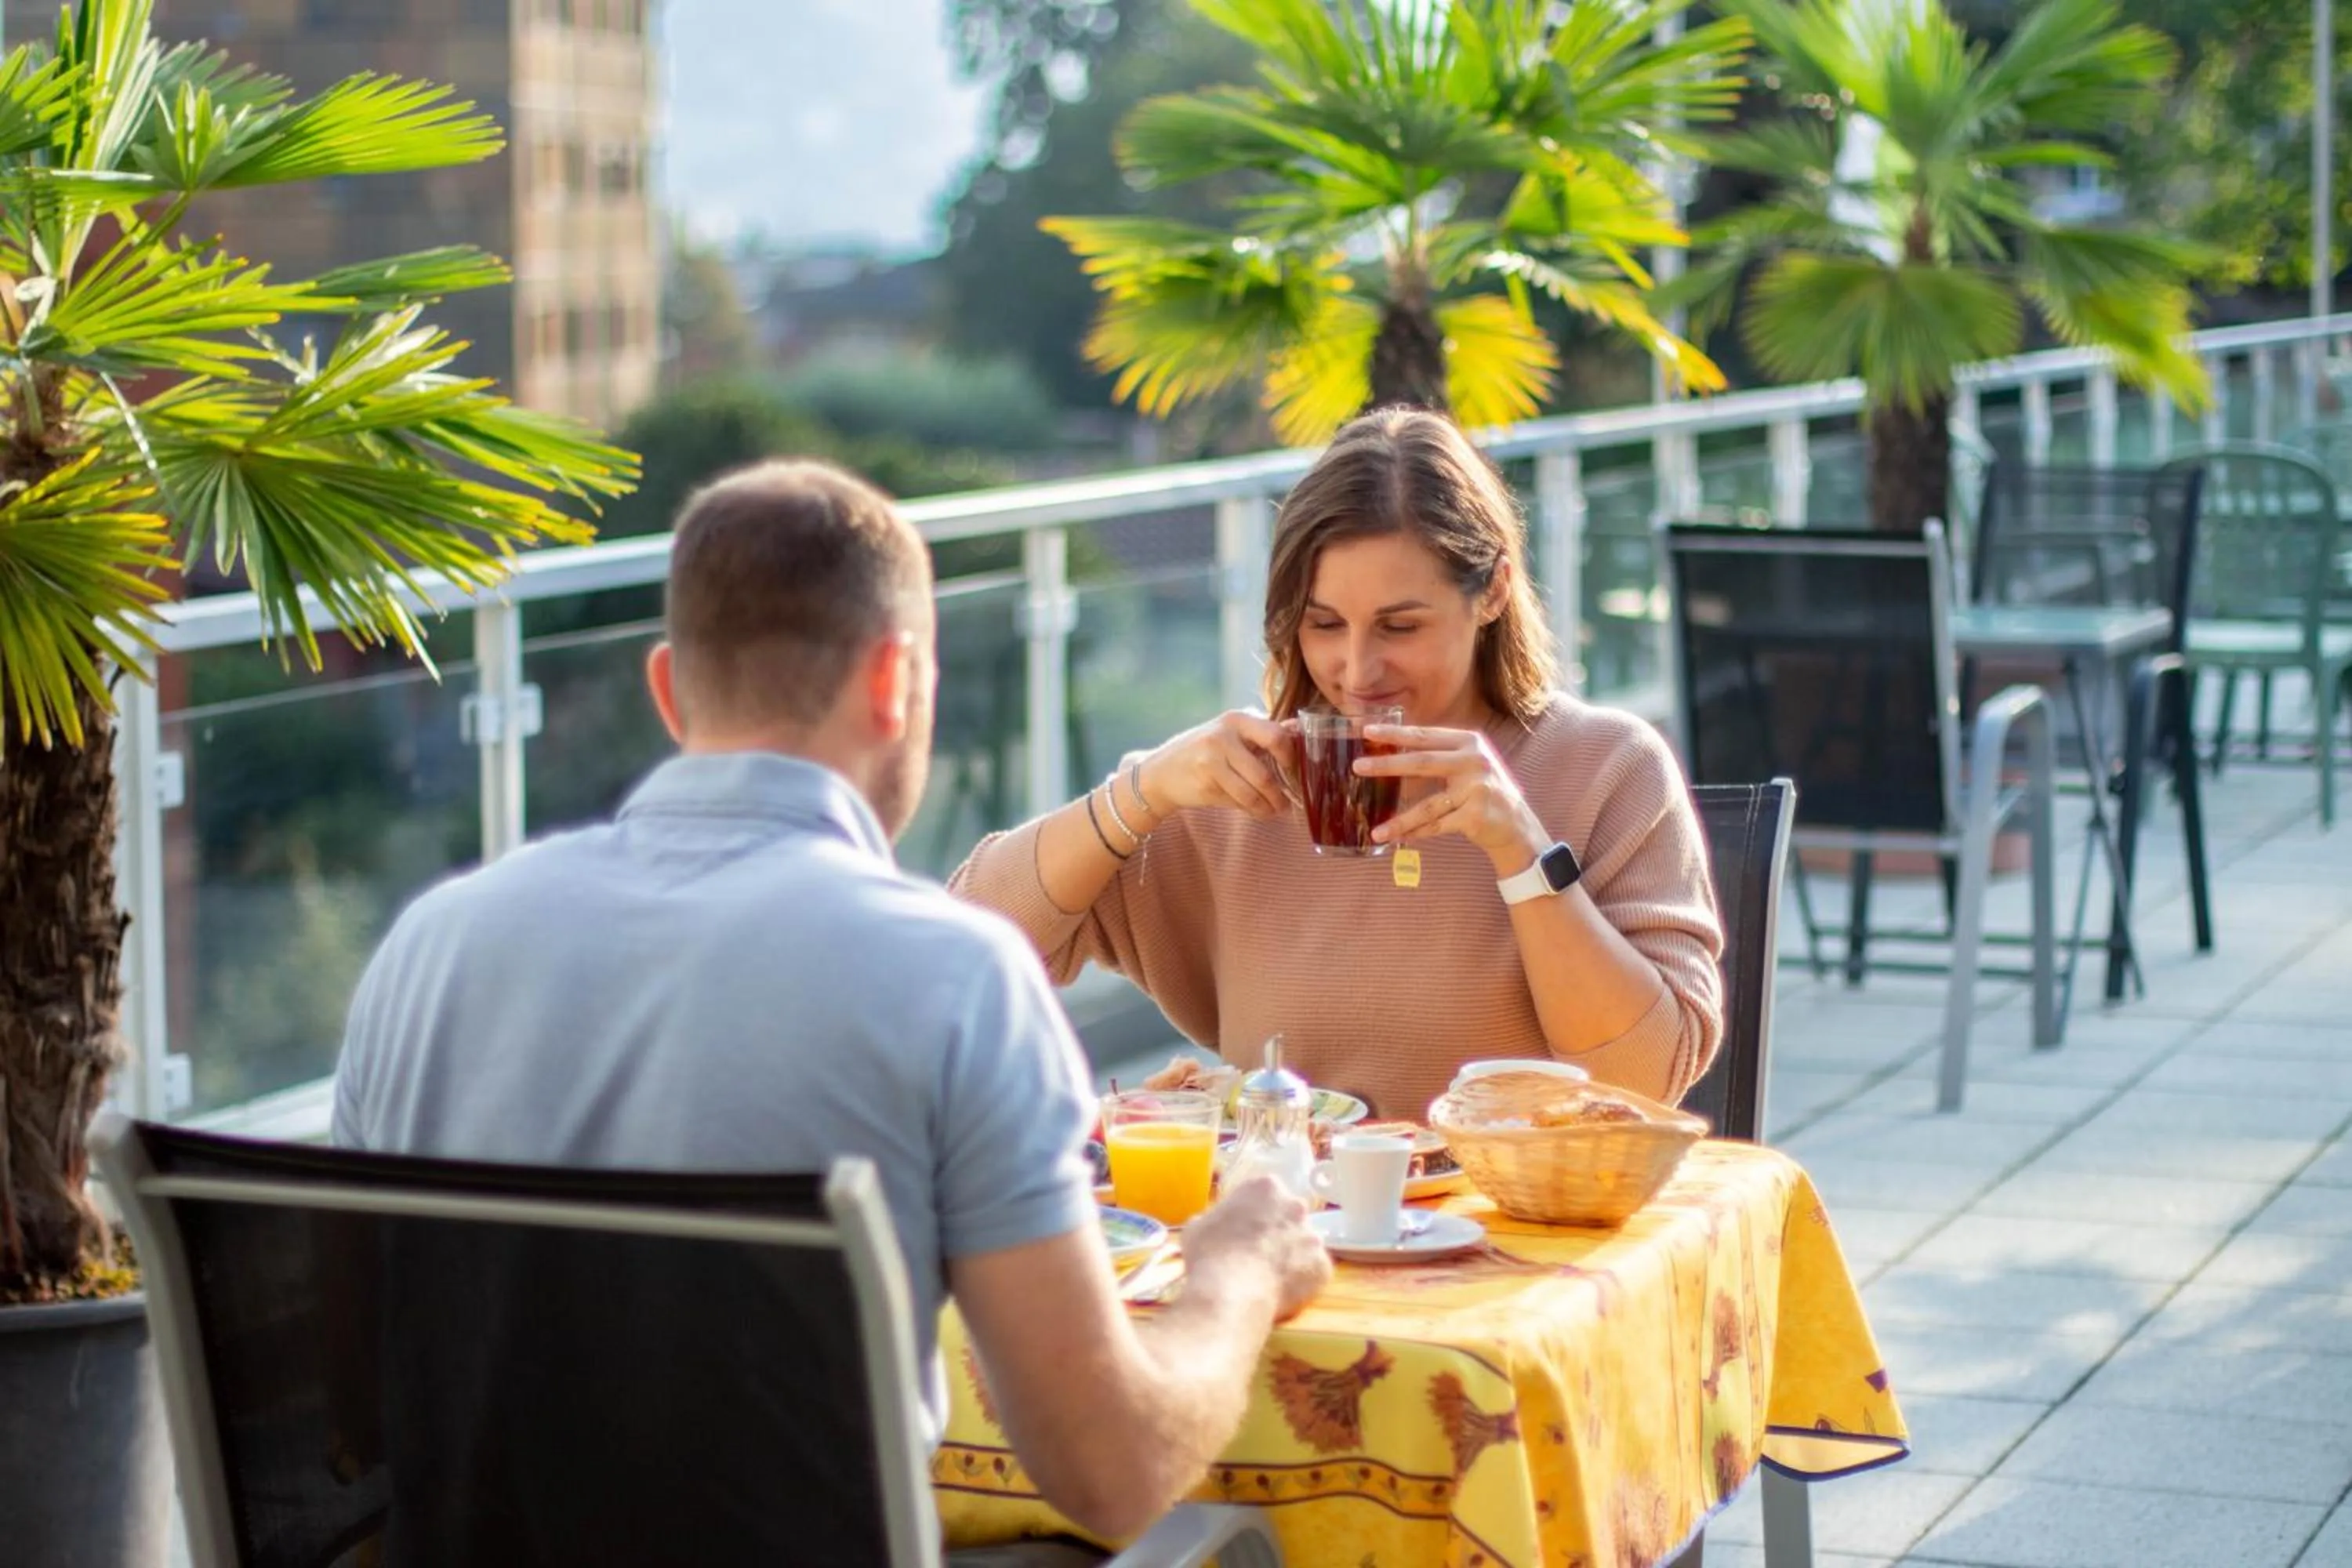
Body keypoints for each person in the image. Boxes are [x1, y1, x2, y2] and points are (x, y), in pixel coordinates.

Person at [332, 459, 1330, 1547]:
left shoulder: (430, 949)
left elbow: (347, 1399)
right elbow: (1114, 1471)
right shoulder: (953, 980)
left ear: (669, 690)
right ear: (896, 682)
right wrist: (1238, 1269)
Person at [952, 408, 1725, 1122]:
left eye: (1399, 624)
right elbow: (963, 951)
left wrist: (1522, 854)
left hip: (1523, 1245)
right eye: (1324, 624)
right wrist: (1140, 793)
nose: (1357, 671)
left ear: (1490, 591)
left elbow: (1645, 1081)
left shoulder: (1607, 767)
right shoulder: (1240, 785)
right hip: (1290, 1234)